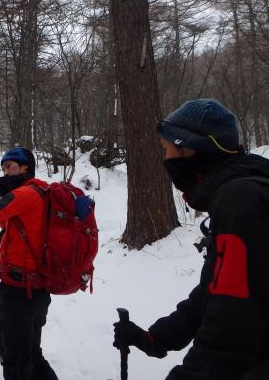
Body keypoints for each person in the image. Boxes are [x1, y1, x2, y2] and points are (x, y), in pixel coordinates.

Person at [113, 98, 269, 380]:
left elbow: (231, 324)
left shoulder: (240, 201)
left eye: (167, 150)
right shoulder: (243, 191)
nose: (166, 161)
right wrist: (153, 338)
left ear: (189, 150)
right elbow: (213, 293)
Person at [0, 147, 58, 380]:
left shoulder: (25, 194)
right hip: (36, 290)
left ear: (25, 166)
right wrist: (0, 197)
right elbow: (15, 227)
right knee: (31, 356)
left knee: (15, 362)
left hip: (19, 292)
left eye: (9, 166)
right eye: (3, 168)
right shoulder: (42, 191)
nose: (6, 172)